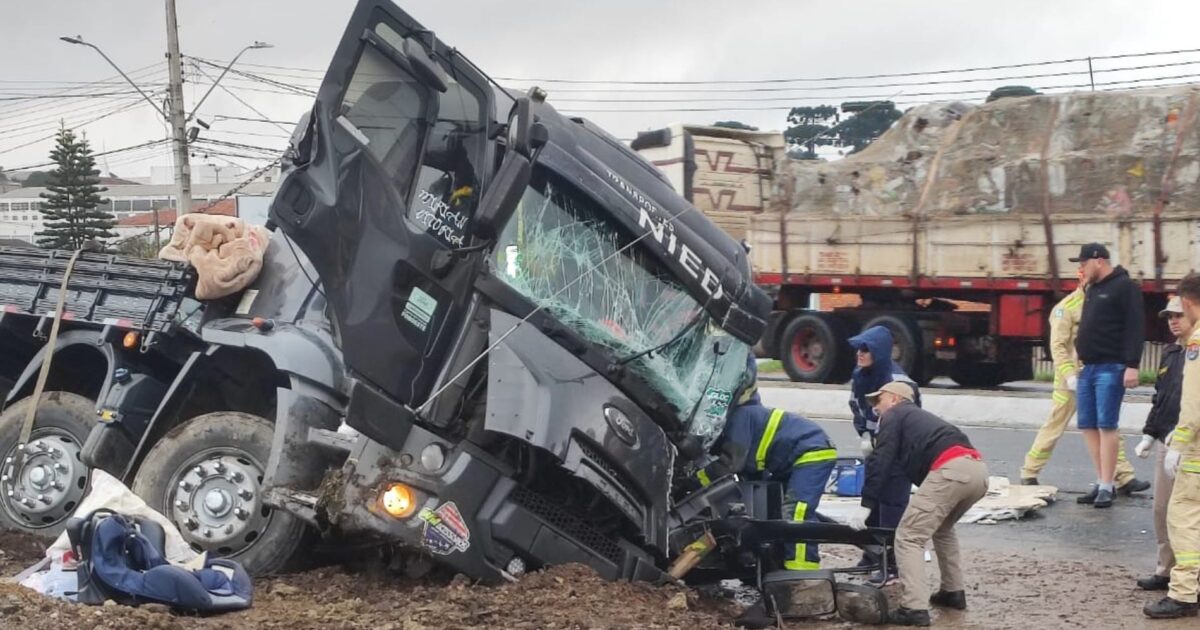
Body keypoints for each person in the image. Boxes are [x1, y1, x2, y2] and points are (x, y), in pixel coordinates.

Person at [847, 381, 988, 627]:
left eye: (877, 401)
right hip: (978, 472)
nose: (875, 409)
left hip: (951, 470)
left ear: (893, 398)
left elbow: (882, 460)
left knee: (909, 536)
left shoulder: (896, 414)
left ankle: (913, 608)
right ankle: (953, 593)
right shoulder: (919, 419)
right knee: (943, 529)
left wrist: (866, 504)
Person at [698, 355, 838, 571]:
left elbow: (731, 464)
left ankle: (802, 572)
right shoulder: (741, 416)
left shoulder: (739, 417)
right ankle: (780, 563)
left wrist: (697, 480)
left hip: (811, 452)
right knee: (779, 509)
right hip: (790, 459)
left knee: (797, 512)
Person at [1019, 270, 1147, 496]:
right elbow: (1057, 346)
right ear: (1081, 279)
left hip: (1093, 374)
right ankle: (1029, 472)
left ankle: (1124, 477)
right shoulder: (1065, 307)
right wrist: (1069, 375)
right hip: (1069, 382)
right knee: (1055, 426)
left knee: (1108, 426)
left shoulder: (1096, 303)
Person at [1072, 242, 1147, 508]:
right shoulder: (1093, 288)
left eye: (1083, 263)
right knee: (1088, 425)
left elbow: (1135, 327)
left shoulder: (1125, 287)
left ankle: (1107, 485)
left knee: (1106, 425)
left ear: (1098, 260)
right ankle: (1103, 480)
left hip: (1111, 366)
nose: (1081, 269)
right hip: (1089, 367)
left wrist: (1131, 364)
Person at [1145, 273, 1200, 619]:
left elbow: (1193, 402)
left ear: (1191, 303)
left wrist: (1179, 443)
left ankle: (1183, 594)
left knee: (1182, 515)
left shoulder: (1196, 344)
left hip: (1196, 447)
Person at [848, 325, 921, 583]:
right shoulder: (860, 375)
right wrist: (865, 435)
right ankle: (873, 553)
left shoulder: (898, 383)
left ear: (878, 351)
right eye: (858, 347)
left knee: (892, 504)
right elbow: (857, 406)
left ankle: (892, 563)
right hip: (876, 446)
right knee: (874, 497)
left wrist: (889, 445)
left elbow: (911, 419)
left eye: (865, 348)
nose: (860, 353)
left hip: (899, 451)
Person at [1134, 297, 1191, 592]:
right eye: (1169, 316)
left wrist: (1182, 438)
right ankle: (1165, 569)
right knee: (1162, 509)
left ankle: (1189, 576)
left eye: (1179, 315)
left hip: (1190, 444)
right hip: (1166, 442)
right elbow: (1160, 397)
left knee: (1188, 514)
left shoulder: (1196, 353)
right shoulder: (1170, 352)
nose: (1173, 321)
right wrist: (1149, 433)